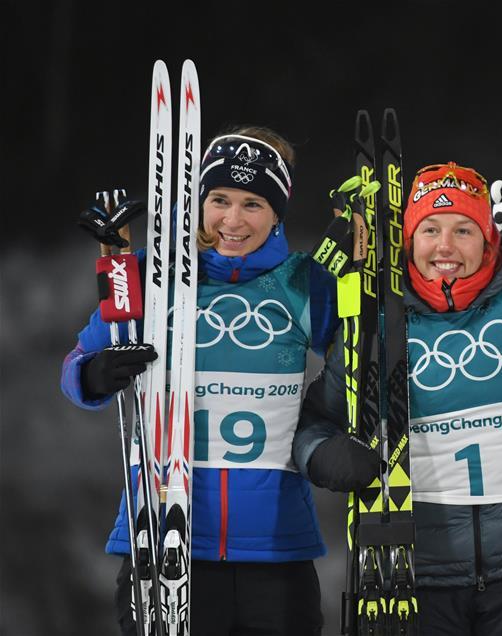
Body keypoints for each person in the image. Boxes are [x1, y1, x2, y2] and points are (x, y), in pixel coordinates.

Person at [61, 126, 379, 636]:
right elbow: (78, 363)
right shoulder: (150, 277)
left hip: (276, 550)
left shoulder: (304, 284)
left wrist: (359, 279)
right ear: (199, 202)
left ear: (278, 212)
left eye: (253, 203)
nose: (232, 220)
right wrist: (94, 374)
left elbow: (362, 354)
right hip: (164, 543)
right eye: (220, 199)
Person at [295, 162, 502, 635]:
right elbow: (314, 422)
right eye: (430, 229)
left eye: (464, 229)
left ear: (489, 237)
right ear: (409, 241)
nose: (445, 246)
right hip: (415, 575)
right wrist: (323, 456)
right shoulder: (377, 320)